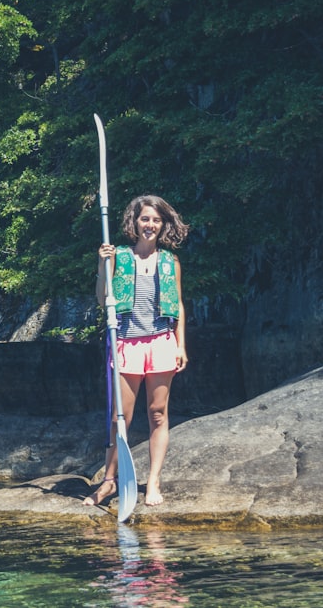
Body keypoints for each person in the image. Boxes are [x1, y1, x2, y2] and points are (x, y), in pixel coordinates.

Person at [84, 194, 189, 508]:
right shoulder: (119, 256)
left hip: (161, 342)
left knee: (158, 413)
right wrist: (104, 266)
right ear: (135, 222)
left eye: (156, 220)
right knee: (121, 418)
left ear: (162, 225)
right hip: (127, 343)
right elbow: (104, 300)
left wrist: (181, 344)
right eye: (145, 219)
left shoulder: (170, 261)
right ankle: (108, 482)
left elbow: (179, 306)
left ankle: (153, 481)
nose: (151, 225)